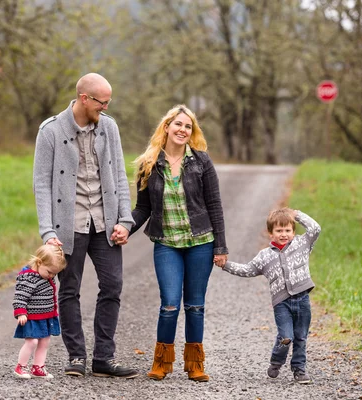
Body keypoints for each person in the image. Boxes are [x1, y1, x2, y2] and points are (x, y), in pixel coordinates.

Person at [32, 73, 137, 379]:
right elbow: (41, 184)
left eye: (108, 102)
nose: (105, 107)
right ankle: (76, 356)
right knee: (69, 289)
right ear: (84, 98)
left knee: (113, 286)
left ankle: (104, 358)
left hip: (105, 223)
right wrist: (48, 232)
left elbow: (119, 174)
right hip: (69, 225)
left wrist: (125, 221)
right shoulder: (50, 131)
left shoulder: (109, 127)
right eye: (101, 102)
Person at [127, 104, 228, 382]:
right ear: (167, 127)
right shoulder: (149, 163)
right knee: (169, 304)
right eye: (179, 125)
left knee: (195, 305)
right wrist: (125, 229)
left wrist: (220, 247)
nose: (183, 130)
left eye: (188, 126)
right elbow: (142, 209)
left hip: (201, 242)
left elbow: (215, 205)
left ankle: (195, 364)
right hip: (167, 244)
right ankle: (161, 362)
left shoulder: (201, 161)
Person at [218, 207, 321, 384]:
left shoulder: (302, 244)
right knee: (286, 337)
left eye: (287, 230)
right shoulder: (264, 256)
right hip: (282, 303)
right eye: (279, 231)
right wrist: (225, 265)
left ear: (293, 231)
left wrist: (297, 215)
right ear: (270, 233)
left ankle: (299, 369)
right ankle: (277, 360)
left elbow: (315, 229)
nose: (284, 234)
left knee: (301, 336)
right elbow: (247, 270)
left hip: (302, 299)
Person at [12, 244, 66, 379]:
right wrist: (21, 312)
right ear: (39, 262)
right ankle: (21, 367)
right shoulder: (28, 278)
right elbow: (20, 296)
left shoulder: (46, 275)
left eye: (54, 273)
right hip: (32, 317)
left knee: (44, 342)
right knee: (32, 342)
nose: (51, 276)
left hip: (46, 316)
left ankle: (38, 367)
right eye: (49, 272)